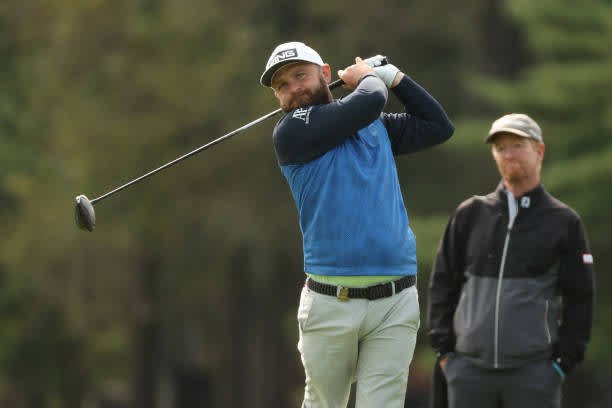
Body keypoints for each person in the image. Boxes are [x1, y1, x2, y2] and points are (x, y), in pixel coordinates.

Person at [260, 41, 454, 407]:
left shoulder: (374, 127)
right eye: (282, 86)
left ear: (326, 74)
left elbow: (438, 126)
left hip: (395, 301)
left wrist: (397, 79)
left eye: (300, 75)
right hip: (331, 302)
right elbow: (367, 101)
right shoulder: (290, 132)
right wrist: (368, 77)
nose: (293, 88)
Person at [427, 113, 595, 408]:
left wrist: (561, 364)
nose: (508, 154)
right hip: (467, 373)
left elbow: (581, 299)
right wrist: (446, 354)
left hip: (533, 375)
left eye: (517, 145)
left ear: (539, 150)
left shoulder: (564, 222)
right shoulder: (470, 214)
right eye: (500, 148)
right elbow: (442, 285)